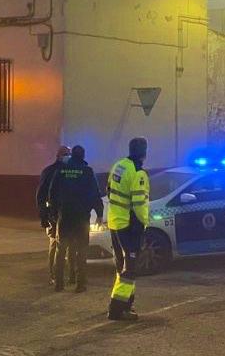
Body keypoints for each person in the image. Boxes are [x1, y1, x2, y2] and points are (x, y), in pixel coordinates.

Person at [48, 145, 104, 293]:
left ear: (72, 155)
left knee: (61, 251)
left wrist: (54, 213)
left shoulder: (61, 170)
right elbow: (95, 194)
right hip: (81, 219)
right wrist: (99, 213)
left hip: (65, 217)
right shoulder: (87, 171)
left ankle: (59, 284)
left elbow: (52, 193)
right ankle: (80, 284)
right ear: (83, 156)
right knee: (82, 251)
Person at [106, 137, 150, 321]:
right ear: (144, 153)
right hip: (129, 226)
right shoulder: (138, 173)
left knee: (122, 266)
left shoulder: (119, 165)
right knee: (129, 269)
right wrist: (144, 221)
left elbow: (108, 189)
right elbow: (139, 204)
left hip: (115, 222)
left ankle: (126, 304)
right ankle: (117, 309)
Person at [36, 145, 71, 287]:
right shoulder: (49, 171)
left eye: (69, 154)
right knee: (55, 243)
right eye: (66, 154)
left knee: (65, 245)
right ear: (59, 155)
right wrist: (43, 217)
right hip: (53, 215)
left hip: (66, 214)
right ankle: (53, 275)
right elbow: (41, 195)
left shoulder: (69, 171)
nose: (68, 156)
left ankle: (64, 274)